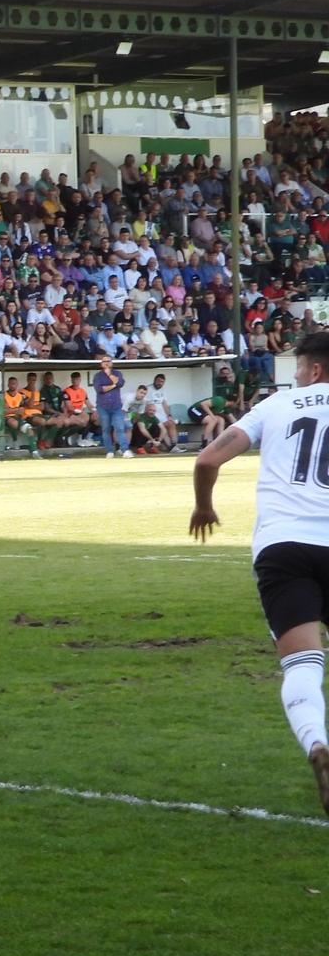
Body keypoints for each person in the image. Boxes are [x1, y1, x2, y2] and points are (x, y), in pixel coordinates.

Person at [191, 332, 329, 814]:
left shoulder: (278, 405)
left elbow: (208, 458)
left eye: (297, 368)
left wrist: (204, 507)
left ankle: (316, 742)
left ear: (313, 370)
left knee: (303, 664)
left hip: (284, 545)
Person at [93, 355, 131, 458]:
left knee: (120, 428)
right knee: (106, 429)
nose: (106, 363)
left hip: (116, 406)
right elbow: (100, 389)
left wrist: (109, 374)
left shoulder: (117, 373)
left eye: (108, 361)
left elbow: (120, 383)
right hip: (103, 406)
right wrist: (113, 385)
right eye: (104, 361)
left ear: (111, 363)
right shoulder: (97, 376)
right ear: (101, 364)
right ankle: (109, 451)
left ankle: (125, 450)